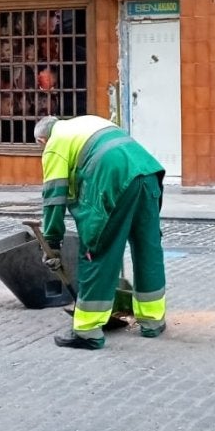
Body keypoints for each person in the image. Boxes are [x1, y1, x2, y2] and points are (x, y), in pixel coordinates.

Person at [34, 115, 167, 350]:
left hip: (114, 181)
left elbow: (54, 196)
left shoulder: (55, 144)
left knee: (96, 251)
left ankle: (87, 331)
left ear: (42, 140)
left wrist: (52, 240)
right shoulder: (86, 123)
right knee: (148, 250)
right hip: (148, 174)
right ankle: (153, 321)